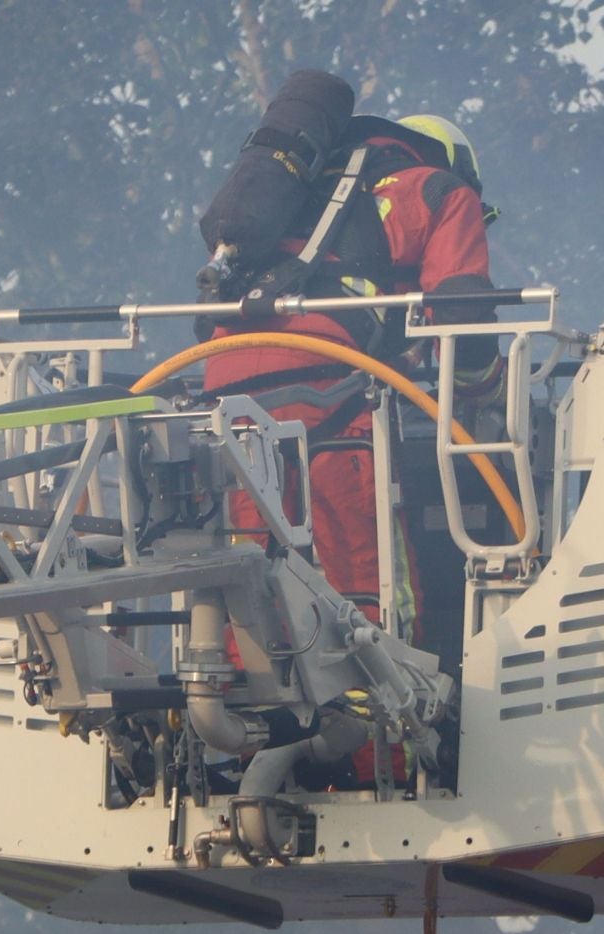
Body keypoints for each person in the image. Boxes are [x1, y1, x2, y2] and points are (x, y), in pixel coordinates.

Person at [200, 82, 502, 638]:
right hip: (325, 391)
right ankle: (385, 709)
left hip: (224, 381)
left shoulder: (304, 196)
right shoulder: (438, 190)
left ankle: (245, 704)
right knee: (368, 578)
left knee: (246, 579)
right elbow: (462, 311)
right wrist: (482, 390)